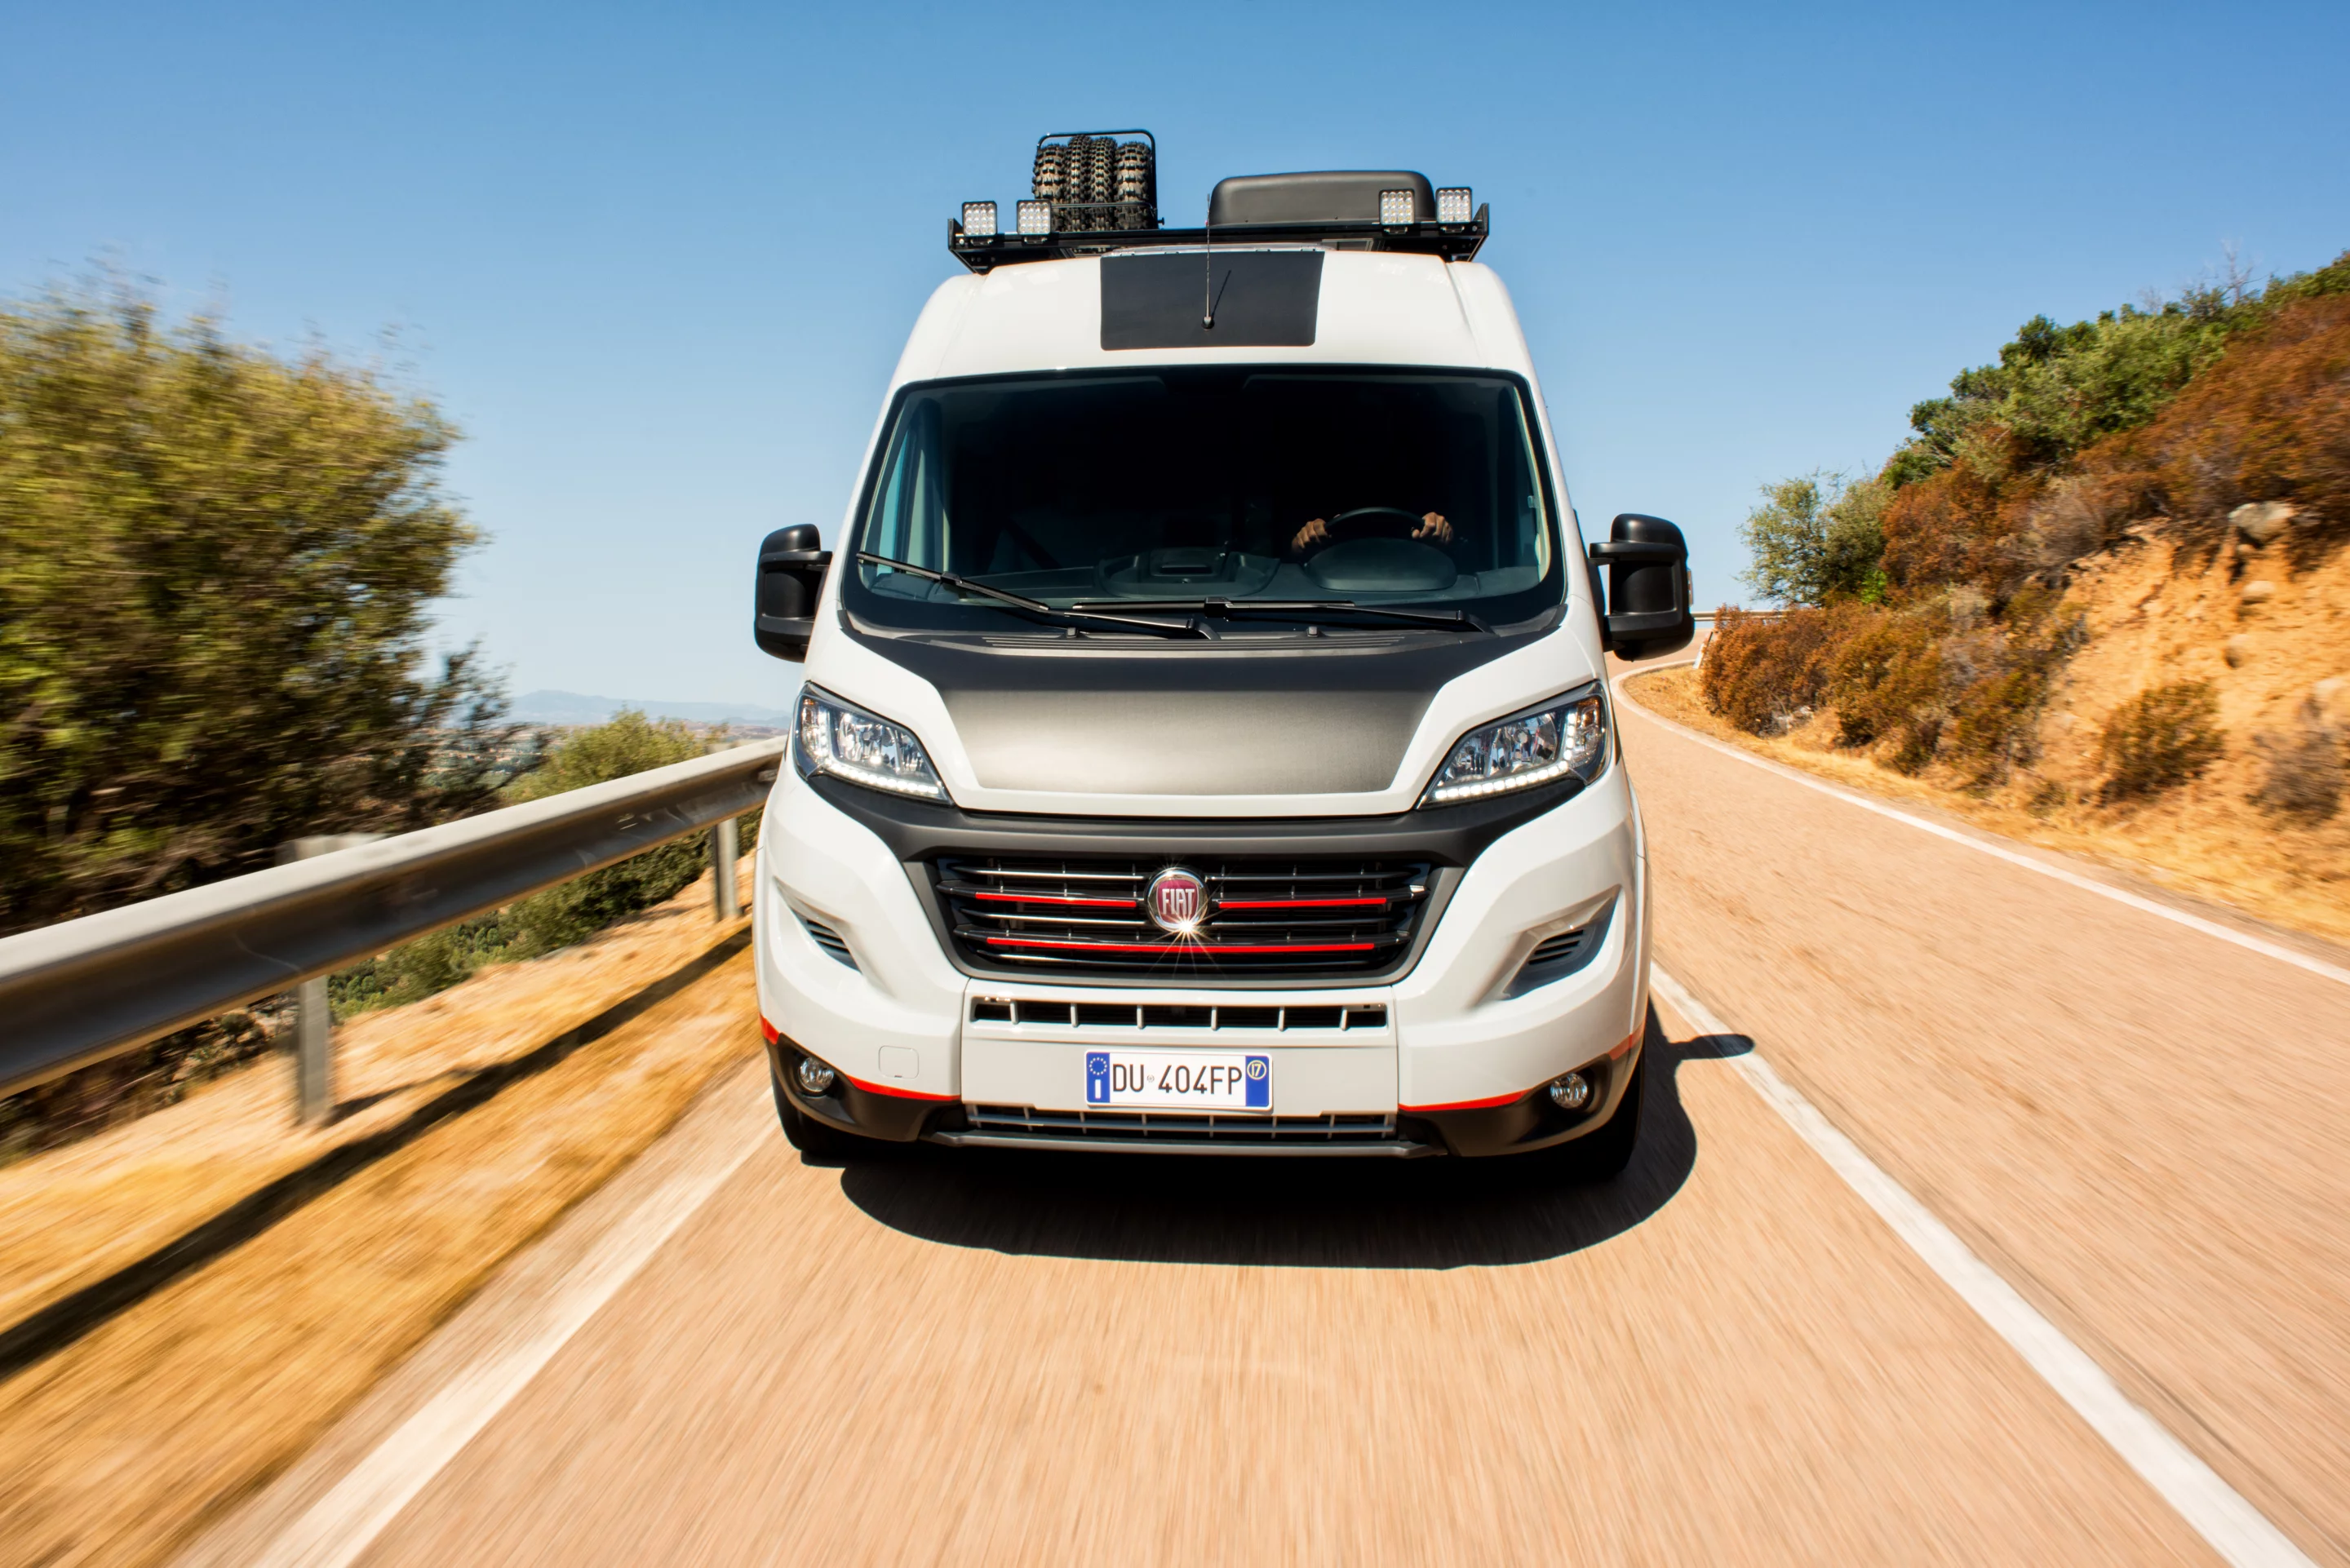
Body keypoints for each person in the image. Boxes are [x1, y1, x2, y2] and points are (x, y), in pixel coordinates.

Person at [1289, 512, 1453, 555]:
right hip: (1328, 599)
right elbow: (1282, 557)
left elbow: (1463, 548)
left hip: (1424, 595)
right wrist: (1301, 542)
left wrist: (1441, 530)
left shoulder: (1424, 482)